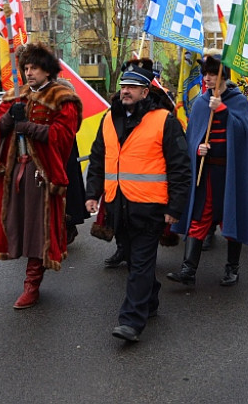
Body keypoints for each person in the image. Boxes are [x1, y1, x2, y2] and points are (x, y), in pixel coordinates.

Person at [85, 63, 190, 343]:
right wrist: (92, 193)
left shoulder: (164, 120)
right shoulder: (109, 118)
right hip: (117, 205)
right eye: (123, 86)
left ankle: (131, 321)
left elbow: (181, 167)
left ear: (146, 91)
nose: (125, 91)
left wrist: (174, 208)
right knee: (133, 260)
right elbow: (98, 158)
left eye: (132, 87)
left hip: (150, 207)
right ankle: (151, 299)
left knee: (142, 261)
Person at [0, 43, 82, 308]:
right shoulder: (18, 95)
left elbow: (63, 136)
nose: (28, 73)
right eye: (25, 68)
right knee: (19, 226)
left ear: (48, 70)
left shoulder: (63, 97)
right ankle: (28, 274)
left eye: (34, 68)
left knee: (39, 230)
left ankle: (32, 285)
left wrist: (27, 126)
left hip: (44, 174)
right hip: (17, 170)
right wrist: (7, 121)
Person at [167, 55, 248, 288]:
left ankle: (232, 268)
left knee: (232, 219)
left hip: (231, 174)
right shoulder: (202, 103)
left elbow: (243, 135)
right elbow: (193, 137)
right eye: (206, 73)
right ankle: (188, 269)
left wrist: (222, 110)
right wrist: (198, 149)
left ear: (223, 76)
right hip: (207, 172)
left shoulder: (239, 101)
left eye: (213, 73)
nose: (207, 78)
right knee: (199, 218)